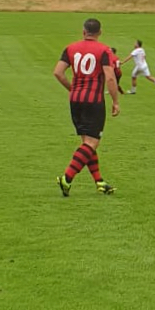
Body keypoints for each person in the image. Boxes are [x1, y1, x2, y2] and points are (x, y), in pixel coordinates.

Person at [52, 18, 121, 196]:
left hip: (75, 100)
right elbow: (111, 77)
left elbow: (58, 72)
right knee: (91, 143)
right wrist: (115, 101)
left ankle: (99, 182)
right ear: (99, 33)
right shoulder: (104, 50)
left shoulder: (70, 48)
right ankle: (67, 178)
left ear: (83, 31)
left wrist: (72, 88)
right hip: (93, 101)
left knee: (87, 143)